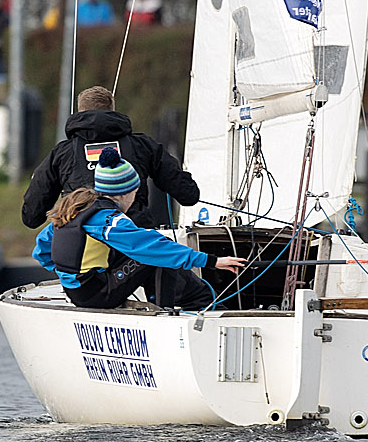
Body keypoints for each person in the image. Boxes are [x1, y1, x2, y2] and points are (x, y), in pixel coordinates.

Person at [33, 146, 245, 311]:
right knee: (159, 251)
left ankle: (166, 307)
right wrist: (212, 260)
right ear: (126, 193)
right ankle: (164, 312)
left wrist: (69, 276)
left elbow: (42, 250)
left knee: (147, 251)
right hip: (97, 295)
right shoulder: (110, 220)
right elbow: (150, 247)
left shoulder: (76, 210)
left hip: (77, 291)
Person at [22, 85, 201, 230]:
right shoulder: (143, 146)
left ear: (79, 112)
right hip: (134, 240)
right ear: (112, 110)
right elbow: (188, 194)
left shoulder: (61, 153)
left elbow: (31, 217)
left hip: (81, 243)